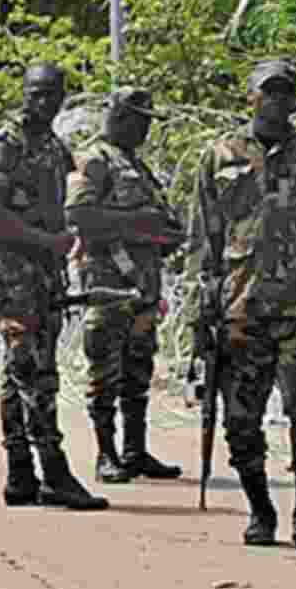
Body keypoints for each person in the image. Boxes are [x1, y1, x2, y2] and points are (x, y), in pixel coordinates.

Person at [184, 60, 296, 552]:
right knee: (241, 423)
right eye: (269, 92)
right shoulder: (219, 156)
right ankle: (260, 510)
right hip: (239, 311)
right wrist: (199, 316)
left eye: (286, 92)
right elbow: (204, 242)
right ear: (251, 98)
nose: (277, 100)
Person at [0, 62, 108, 510]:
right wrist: (50, 241)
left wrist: (64, 243)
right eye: (37, 92)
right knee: (35, 373)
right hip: (12, 270)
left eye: (52, 93)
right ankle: (54, 471)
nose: (44, 100)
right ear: (24, 93)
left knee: (17, 373)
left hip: (42, 271)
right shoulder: (5, 145)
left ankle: (20, 474)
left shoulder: (52, 147)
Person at [65, 88, 184, 484]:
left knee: (139, 368)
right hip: (109, 283)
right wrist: (137, 225)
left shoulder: (136, 165)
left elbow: (160, 220)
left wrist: (166, 233)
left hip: (144, 283)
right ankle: (106, 454)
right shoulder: (95, 159)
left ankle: (134, 450)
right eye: (140, 119)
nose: (145, 128)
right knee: (105, 369)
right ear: (119, 117)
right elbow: (80, 215)